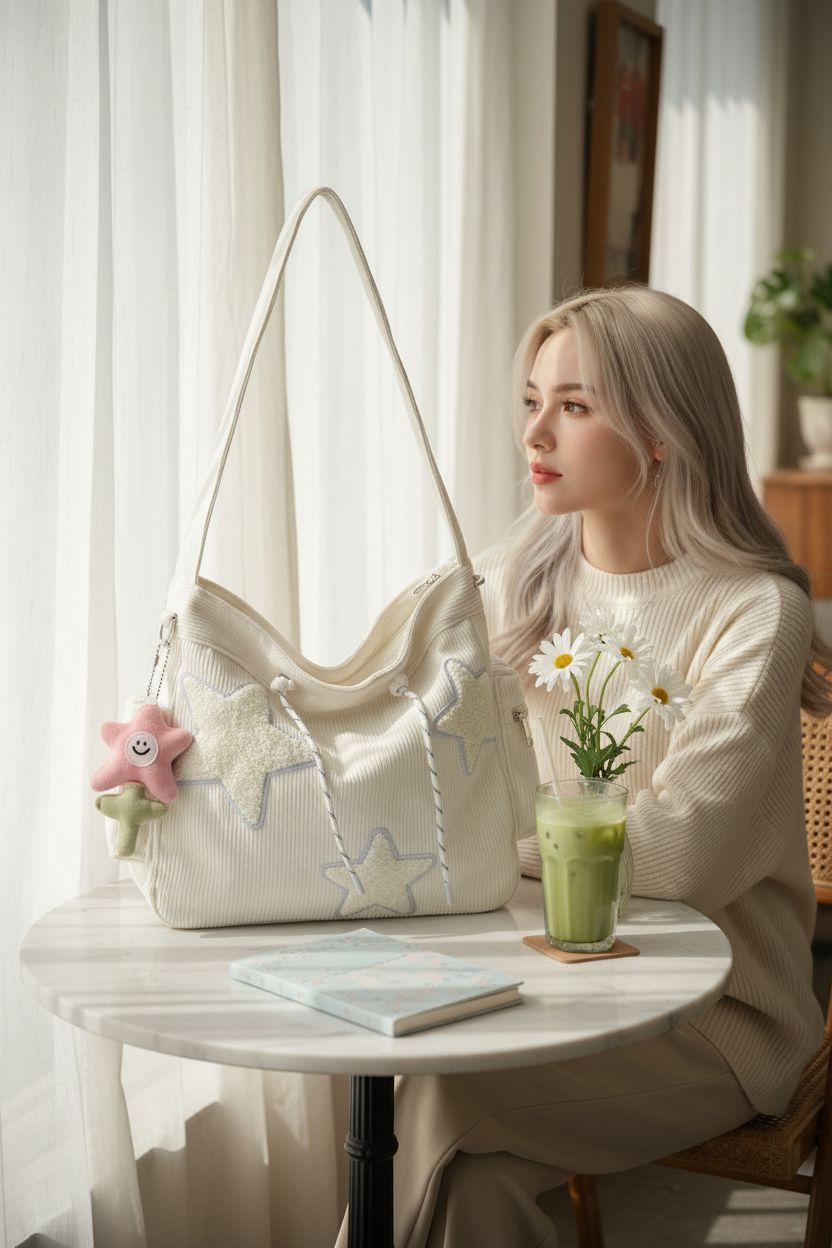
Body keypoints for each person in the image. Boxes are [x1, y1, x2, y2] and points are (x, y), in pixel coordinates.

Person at [333, 285, 831, 1248]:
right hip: (547, 975)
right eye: (532, 400)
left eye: (575, 405)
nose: (537, 432)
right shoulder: (509, 575)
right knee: (470, 1179)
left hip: (718, 1015)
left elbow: (684, 855)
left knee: (432, 1103)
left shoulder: (755, 610)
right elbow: (387, 722)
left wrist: (489, 853)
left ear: (663, 432)